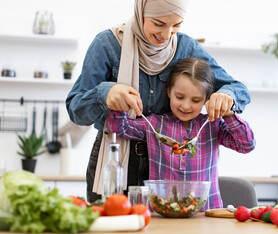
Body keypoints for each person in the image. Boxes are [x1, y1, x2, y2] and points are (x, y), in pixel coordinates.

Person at [66, 0, 251, 203]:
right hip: (115, 158)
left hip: (166, 166)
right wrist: (106, 93)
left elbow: (237, 88)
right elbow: (77, 110)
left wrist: (227, 98)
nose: (167, 34)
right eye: (158, 23)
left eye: (176, 25)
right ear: (140, 12)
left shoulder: (186, 47)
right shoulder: (107, 44)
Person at [106, 58, 255, 210]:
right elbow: (118, 127)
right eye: (179, 97)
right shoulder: (154, 124)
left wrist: (228, 114)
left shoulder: (212, 125)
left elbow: (246, 145)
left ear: (206, 99)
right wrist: (122, 103)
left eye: (196, 100)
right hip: (163, 212)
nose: (186, 106)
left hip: (206, 213)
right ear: (169, 91)